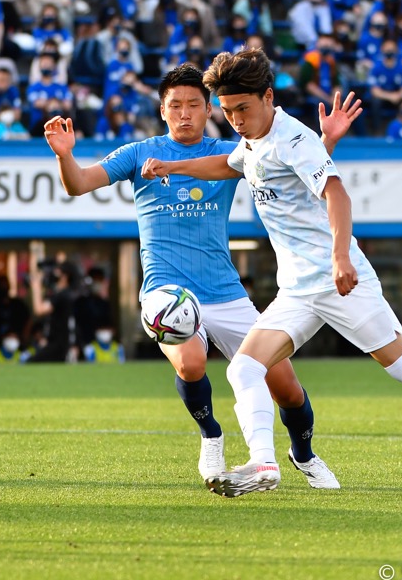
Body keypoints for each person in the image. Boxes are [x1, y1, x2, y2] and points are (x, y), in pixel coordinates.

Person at [140, 49, 402, 495]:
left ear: (268, 97)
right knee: (244, 369)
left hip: (339, 281)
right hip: (296, 291)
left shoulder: (293, 139)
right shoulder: (253, 139)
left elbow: (337, 194)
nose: (234, 120)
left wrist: (341, 256)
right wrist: (172, 165)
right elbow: (229, 163)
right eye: (228, 112)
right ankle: (264, 465)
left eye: (242, 110)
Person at [44, 62, 359, 495]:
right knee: (191, 362)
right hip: (167, 292)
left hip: (226, 291)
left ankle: (303, 453)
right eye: (176, 105)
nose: (185, 113)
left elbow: (292, 173)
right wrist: (65, 155)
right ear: (162, 110)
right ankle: (211, 436)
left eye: (194, 104)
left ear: (211, 108)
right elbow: (78, 184)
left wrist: (328, 142)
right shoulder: (138, 154)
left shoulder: (232, 152)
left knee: (286, 387)